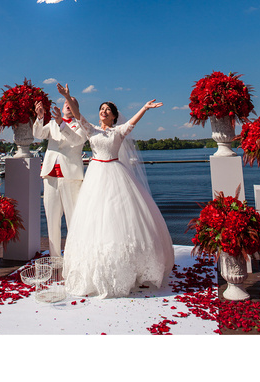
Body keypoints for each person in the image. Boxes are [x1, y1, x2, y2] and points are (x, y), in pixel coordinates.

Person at [60, 99, 174, 298]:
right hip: (96, 176)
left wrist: (144, 108)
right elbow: (77, 115)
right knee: (94, 219)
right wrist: (68, 97)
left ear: (114, 116)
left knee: (122, 218)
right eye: (102, 109)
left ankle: (133, 269)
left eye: (108, 110)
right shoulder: (91, 130)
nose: (104, 111)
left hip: (116, 174)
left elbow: (133, 122)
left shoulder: (118, 131)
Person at [38, 82, 91, 264]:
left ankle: (74, 257)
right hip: (50, 176)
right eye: (66, 103)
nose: (68, 105)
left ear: (76, 109)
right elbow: (39, 134)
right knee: (52, 219)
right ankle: (55, 258)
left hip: (71, 177)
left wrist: (62, 124)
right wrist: (39, 117)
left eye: (72, 104)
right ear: (61, 108)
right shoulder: (52, 123)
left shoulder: (81, 126)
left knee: (73, 219)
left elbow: (76, 141)